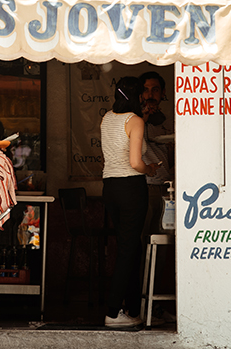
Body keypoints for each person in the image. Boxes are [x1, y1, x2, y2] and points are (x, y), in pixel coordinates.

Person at [101, 76, 159, 328]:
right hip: (131, 188)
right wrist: (150, 169)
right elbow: (136, 162)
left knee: (131, 247)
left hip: (110, 187)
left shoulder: (107, 118)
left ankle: (134, 310)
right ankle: (113, 313)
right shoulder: (135, 121)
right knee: (128, 250)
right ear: (137, 97)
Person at [138, 70, 174, 235]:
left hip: (166, 187)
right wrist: (143, 117)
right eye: (145, 90)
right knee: (143, 235)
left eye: (155, 90)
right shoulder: (134, 120)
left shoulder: (168, 121)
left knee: (163, 235)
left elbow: (169, 159)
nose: (150, 95)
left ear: (163, 93)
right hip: (145, 186)